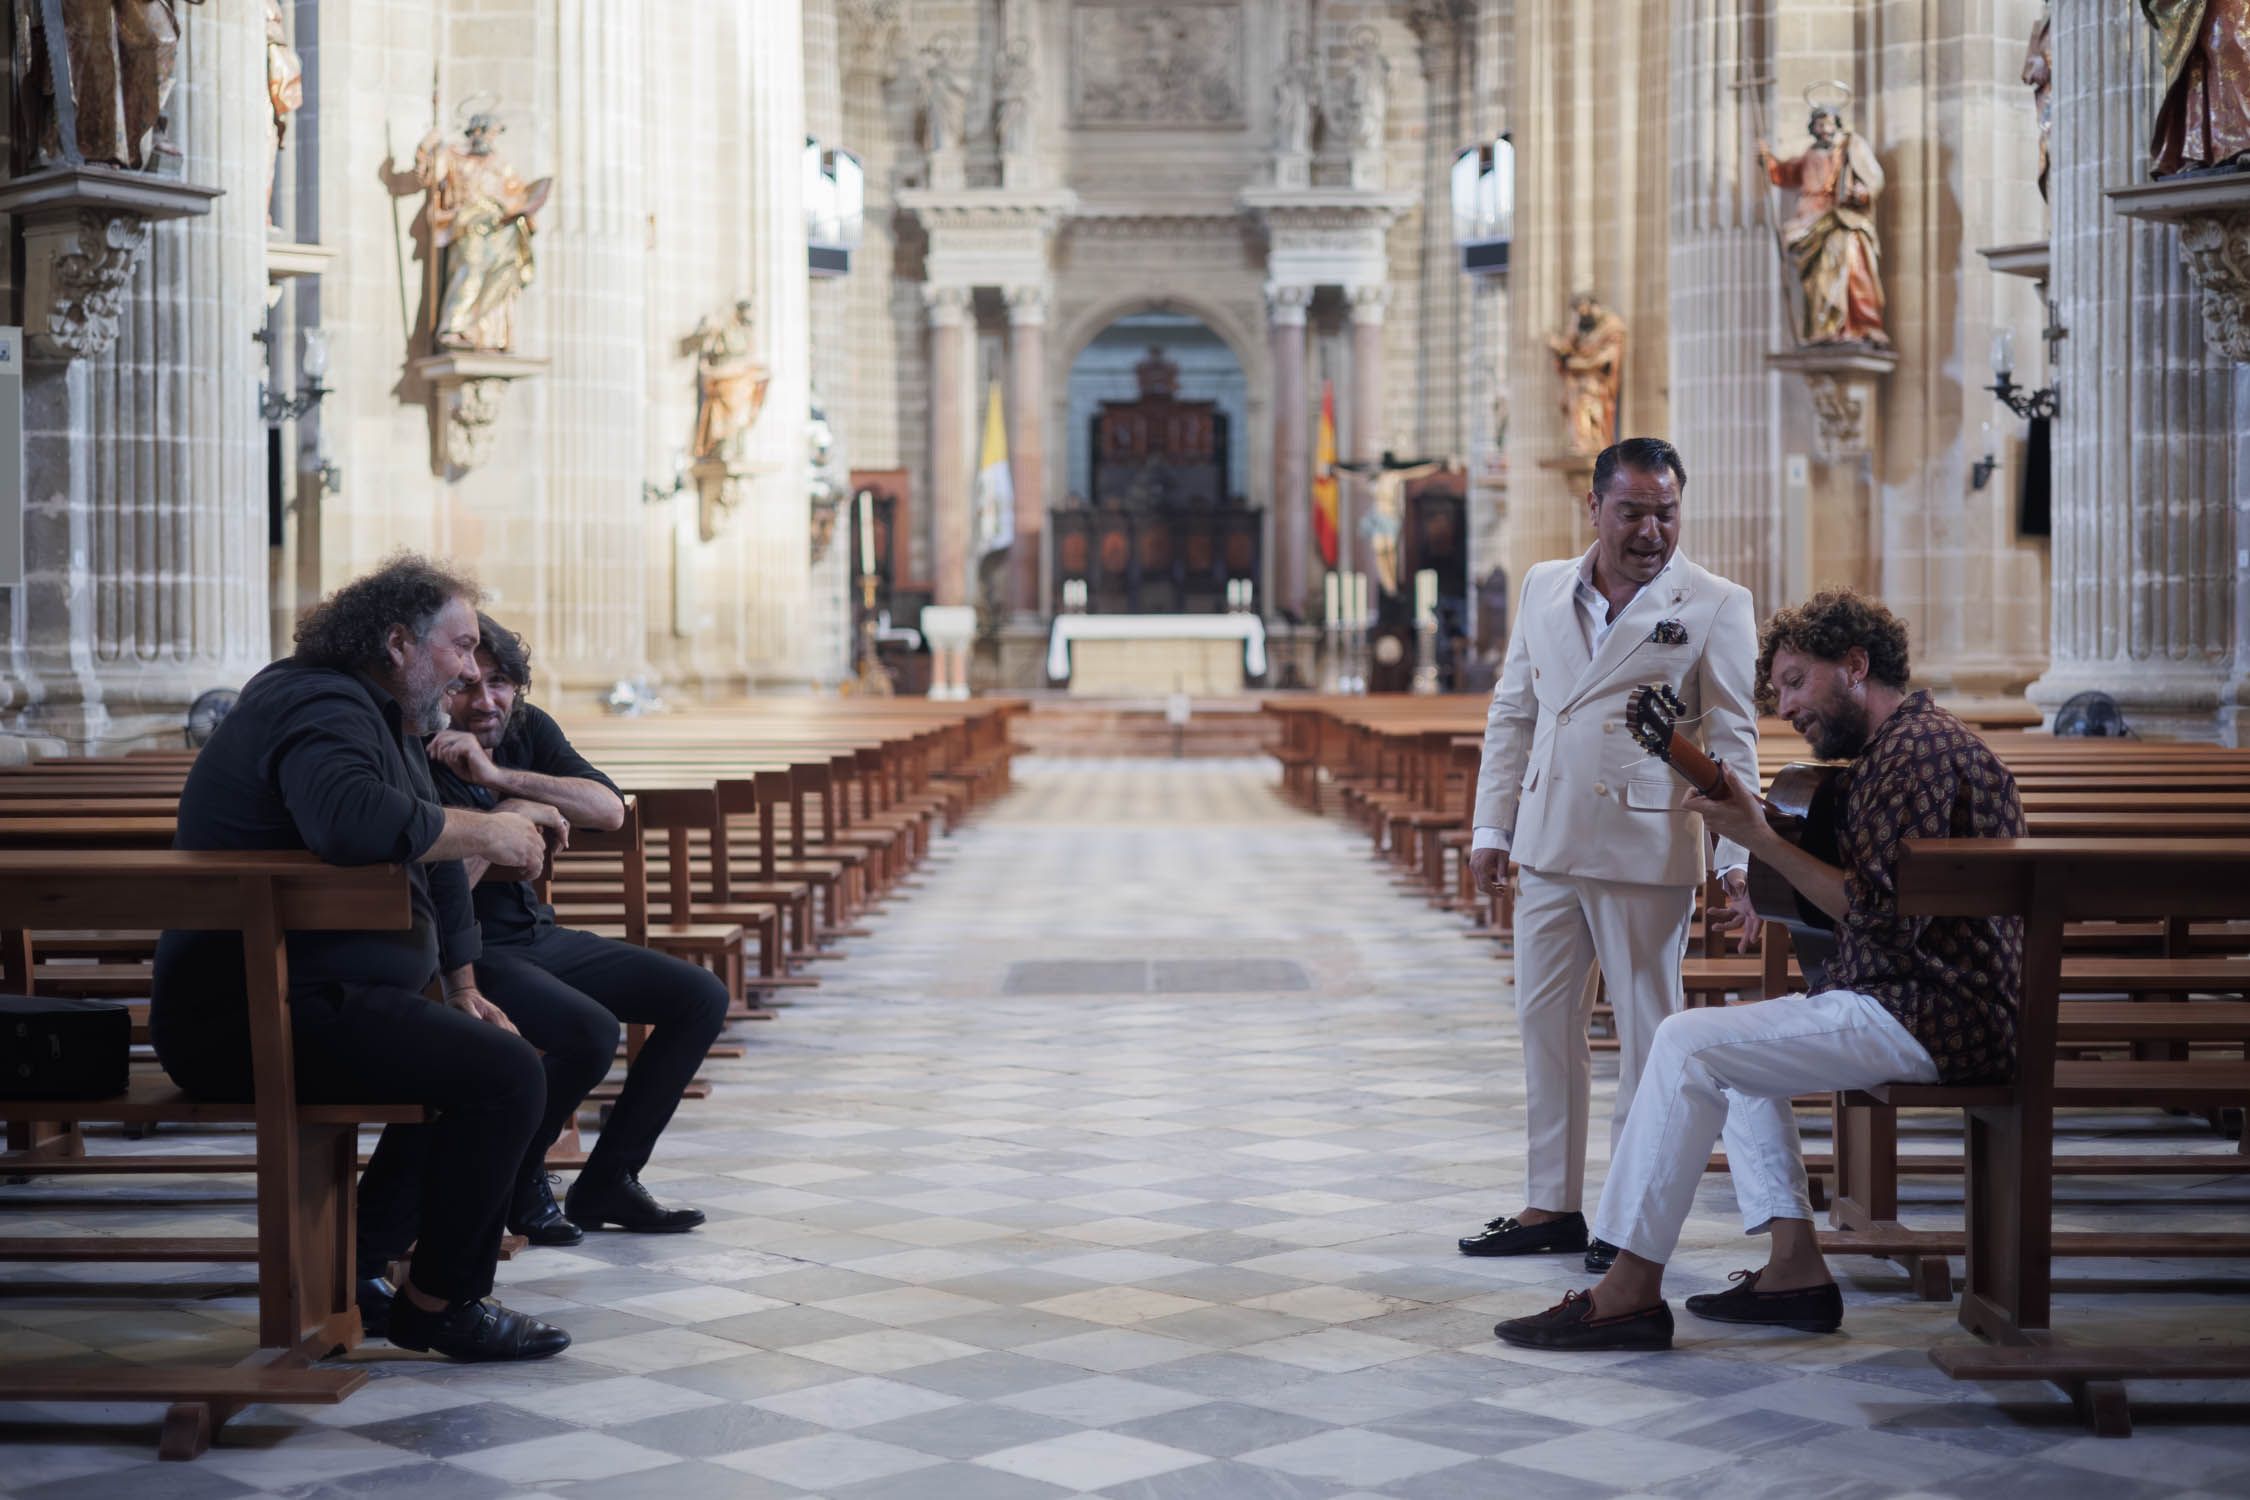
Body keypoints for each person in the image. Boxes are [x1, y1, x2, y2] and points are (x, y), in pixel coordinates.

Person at [1495, 589, 2026, 1351]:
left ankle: (1628, 1290)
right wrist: (1763, 848)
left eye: (1795, 682)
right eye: (1778, 690)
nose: (1786, 707)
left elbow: (1877, 914)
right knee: (1736, 1055)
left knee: (1686, 1042)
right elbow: (1864, 887)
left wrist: (1761, 842)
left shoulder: (1918, 756)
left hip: (1935, 1012)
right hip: (1913, 998)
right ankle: (1794, 1270)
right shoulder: (1895, 751)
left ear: (1855, 665)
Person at [150, 555, 570, 1362]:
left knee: (487, 1054)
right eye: (460, 647)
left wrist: (461, 983)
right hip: (252, 1013)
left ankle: (362, 1265)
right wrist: (487, 831)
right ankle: (442, 1305)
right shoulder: (318, 702)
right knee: (508, 1077)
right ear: (398, 643)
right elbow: (349, 819)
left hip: (312, 995)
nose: (469, 669)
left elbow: (429, 855)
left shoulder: (385, 716)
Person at [1459, 437, 1760, 1275]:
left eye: (1666, 512)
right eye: (1632, 512)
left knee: (1649, 1036)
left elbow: (1733, 736)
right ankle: (1550, 1204)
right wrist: (1491, 828)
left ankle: (1629, 1223)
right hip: (1548, 838)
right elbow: (1513, 713)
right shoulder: (1542, 585)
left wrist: (1736, 860)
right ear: (1593, 508)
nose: (1651, 531)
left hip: (1645, 842)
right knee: (1545, 1027)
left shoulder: (1715, 602)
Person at [411, 613, 727, 1247]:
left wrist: (501, 781)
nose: (486, 701)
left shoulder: (526, 729)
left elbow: (608, 810)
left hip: (536, 935)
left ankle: (608, 1179)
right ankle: (520, 1172)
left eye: (500, 683)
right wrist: (506, 820)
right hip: (463, 950)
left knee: (699, 996)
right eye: (467, 686)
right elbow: (441, 890)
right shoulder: (418, 749)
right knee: (590, 1031)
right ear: (440, 684)